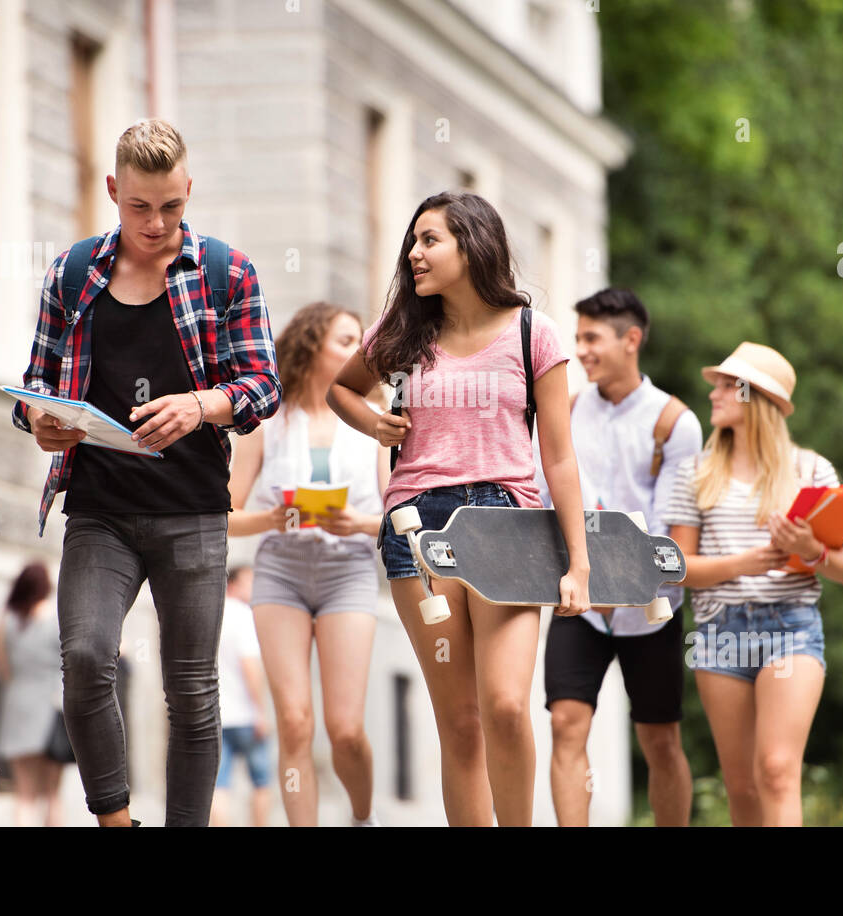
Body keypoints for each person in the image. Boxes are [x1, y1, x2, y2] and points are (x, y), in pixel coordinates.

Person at [10, 119, 281, 827]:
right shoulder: (73, 275)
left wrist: (201, 406)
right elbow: (34, 384)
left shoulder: (228, 274)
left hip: (192, 511)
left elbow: (263, 386)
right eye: (139, 207)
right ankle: (114, 819)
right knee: (89, 657)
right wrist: (41, 423)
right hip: (100, 510)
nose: (156, 223)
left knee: (192, 689)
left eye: (171, 206)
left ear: (188, 190)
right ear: (113, 192)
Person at [328, 191, 591, 827]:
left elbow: (558, 456)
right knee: (462, 723)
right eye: (413, 242)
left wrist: (577, 564)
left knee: (505, 706)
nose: (414, 254)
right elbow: (340, 389)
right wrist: (378, 425)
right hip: (418, 530)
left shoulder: (534, 332)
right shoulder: (400, 332)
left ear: (471, 245)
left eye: (429, 240)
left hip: (509, 526)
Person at [664, 342, 843, 827]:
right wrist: (745, 563)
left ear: (760, 398)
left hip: (791, 628)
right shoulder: (695, 473)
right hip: (719, 632)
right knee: (742, 786)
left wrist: (811, 546)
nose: (716, 393)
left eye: (730, 385)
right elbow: (678, 567)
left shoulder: (812, 471)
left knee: (775, 770)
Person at [533, 288, 702, 826]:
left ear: (631, 340)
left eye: (590, 338)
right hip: (578, 601)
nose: (579, 350)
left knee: (659, 738)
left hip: (649, 609)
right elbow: (543, 496)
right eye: (576, 337)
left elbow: (675, 539)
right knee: (565, 724)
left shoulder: (675, 423)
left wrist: (627, 575)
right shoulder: (568, 409)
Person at [227, 302, 388, 826]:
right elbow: (226, 514)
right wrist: (275, 517)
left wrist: (359, 523)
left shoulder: (377, 412)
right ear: (311, 345)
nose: (358, 351)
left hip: (351, 571)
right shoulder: (268, 418)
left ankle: (363, 817)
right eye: (346, 340)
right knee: (294, 723)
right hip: (281, 573)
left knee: (345, 729)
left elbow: (397, 515)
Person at [0, 562, 68, 827]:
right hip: (50, 709)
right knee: (52, 794)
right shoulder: (55, 618)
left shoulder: (7, 620)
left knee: (24, 795)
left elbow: (3, 670)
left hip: (17, 709)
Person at [210, 566, 273, 827]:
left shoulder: (212, 615)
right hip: (246, 715)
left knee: (218, 786)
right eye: (250, 581)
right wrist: (260, 710)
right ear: (232, 584)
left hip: (216, 716)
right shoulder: (243, 616)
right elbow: (250, 667)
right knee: (262, 783)